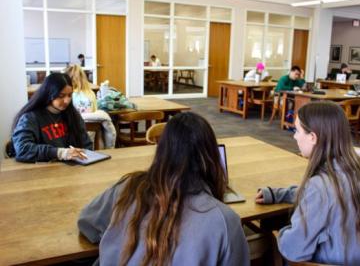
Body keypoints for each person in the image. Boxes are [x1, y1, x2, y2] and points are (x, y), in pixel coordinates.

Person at [78, 112, 250, 266]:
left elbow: (87, 222)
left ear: (161, 151)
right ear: (211, 158)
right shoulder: (226, 221)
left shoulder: (128, 187)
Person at [255, 102, 360, 265]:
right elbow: (325, 197)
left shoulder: (319, 186)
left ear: (313, 137)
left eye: (297, 130)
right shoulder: (352, 168)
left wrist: (280, 233)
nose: (294, 136)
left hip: (327, 261)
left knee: (269, 232)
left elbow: (294, 250)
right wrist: (280, 194)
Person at [11, 73, 92, 163]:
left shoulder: (73, 114)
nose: (67, 101)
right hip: (44, 172)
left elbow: (86, 144)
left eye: (69, 95)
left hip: (73, 169)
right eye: (61, 96)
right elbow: (23, 149)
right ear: (49, 94)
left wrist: (86, 154)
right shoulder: (30, 117)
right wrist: (61, 153)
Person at [65, 65, 116, 149]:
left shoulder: (67, 96)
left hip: (72, 138)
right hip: (92, 137)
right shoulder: (91, 93)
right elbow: (95, 111)